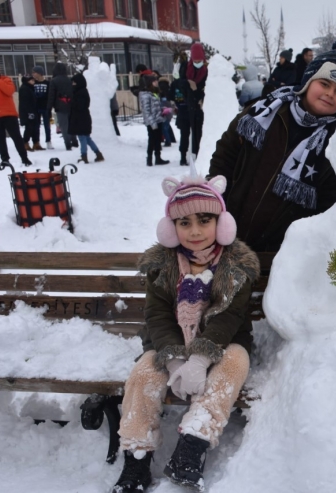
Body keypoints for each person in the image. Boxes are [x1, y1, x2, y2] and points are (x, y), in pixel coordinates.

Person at [111, 173, 260, 493]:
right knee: (143, 376)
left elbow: (229, 316)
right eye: (184, 222)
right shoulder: (162, 265)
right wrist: (176, 360)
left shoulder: (237, 265)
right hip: (167, 344)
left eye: (204, 220)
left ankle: (192, 447)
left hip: (225, 342)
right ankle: (136, 459)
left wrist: (200, 360)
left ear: (221, 223)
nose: (194, 231)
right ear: (171, 228)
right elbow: (158, 316)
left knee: (233, 365)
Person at [207, 37, 336, 252]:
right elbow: (226, 154)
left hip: (282, 254)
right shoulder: (264, 111)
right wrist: (216, 203)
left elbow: (331, 201)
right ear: (308, 81)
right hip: (227, 230)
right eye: (324, 84)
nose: (329, 94)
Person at [0, 59, 32, 165]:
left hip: (8, 113)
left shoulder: (5, 79)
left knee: (16, 137)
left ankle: (24, 158)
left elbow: (9, 91)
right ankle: (5, 159)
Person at [69, 73, 104, 163]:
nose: (72, 84)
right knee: (87, 138)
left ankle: (84, 156)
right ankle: (98, 154)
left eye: (74, 82)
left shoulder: (80, 92)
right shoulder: (82, 91)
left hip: (80, 118)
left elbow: (79, 106)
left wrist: (70, 102)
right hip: (84, 117)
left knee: (82, 138)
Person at [139, 74, 170, 166]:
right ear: (150, 83)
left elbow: (155, 107)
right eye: (155, 81)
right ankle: (149, 159)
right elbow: (146, 110)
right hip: (152, 122)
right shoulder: (146, 95)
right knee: (152, 140)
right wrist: (152, 123)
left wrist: (163, 110)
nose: (157, 82)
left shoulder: (155, 93)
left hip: (158, 120)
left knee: (158, 140)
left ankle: (158, 158)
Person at [47, 62, 76, 151]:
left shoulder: (54, 81)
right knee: (71, 124)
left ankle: (68, 144)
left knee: (64, 126)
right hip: (71, 104)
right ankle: (74, 141)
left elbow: (51, 96)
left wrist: (49, 108)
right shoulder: (69, 80)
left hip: (60, 106)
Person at [187, 43, 208, 160]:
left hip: (202, 103)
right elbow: (181, 83)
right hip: (191, 104)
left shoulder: (207, 69)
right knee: (194, 129)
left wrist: (199, 94)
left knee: (202, 129)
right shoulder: (187, 68)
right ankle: (195, 152)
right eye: (195, 60)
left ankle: (202, 152)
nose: (197, 63)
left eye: (199, 60)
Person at [170, 61, 191, 165]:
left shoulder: (175, 83)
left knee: (184, 135)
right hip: (192, 111)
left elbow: (170, 96)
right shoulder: (190, 82)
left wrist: (177, 103)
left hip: (181, 112)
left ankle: (183, 157)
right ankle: (194, 155)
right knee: (195, 135)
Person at [18, 76, 40, 152]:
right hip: (28, 112)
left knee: (35, 127)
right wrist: (29, 112)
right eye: (31, 80)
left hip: (33, 111)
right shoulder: (24, 89)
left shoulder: (30, 88)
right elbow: (25, 102)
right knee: (29, 127)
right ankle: (25, 142)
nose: (33, 81)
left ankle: (36, 142)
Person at [31, 66, 50, 149]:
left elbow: (50, 95)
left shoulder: (48, 83)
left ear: (39, 73)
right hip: (36, 107)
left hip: (45, 107)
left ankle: (48, 141)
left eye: (34, 72)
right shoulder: (33, 83)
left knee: (47, 125)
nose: (33, 74)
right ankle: (36, 142)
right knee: (36, 125)